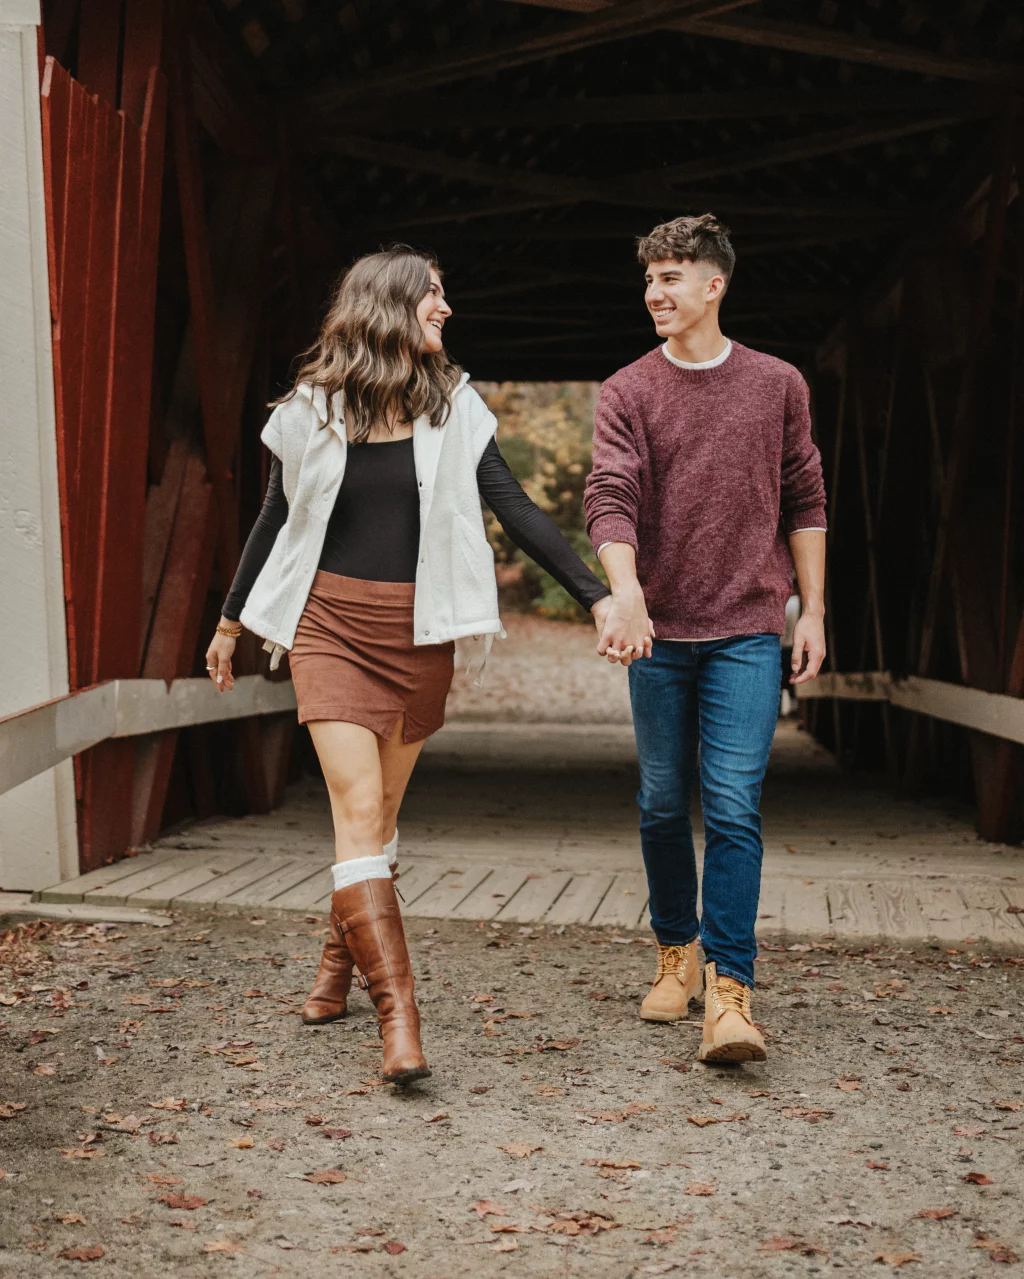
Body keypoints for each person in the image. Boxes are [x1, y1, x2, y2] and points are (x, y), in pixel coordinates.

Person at [206, 246, 615, 1084]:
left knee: (380, 815)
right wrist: (229, 617)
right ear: (390, 304)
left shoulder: (455, 407)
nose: (446, 309)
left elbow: (514, 507)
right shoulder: (310, 411)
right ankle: (400, 1019)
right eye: (434, 295)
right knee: (358, 806)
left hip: (420, 634)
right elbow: (274, 516)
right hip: (329, 626)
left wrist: (595, 596)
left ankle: (337, 962)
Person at [585, 214, 827, 1063]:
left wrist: (813, 610)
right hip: (659, 632)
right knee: (661, 801)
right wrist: (627, 594)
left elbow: (806, 497)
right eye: (649, 278)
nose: (655, 292)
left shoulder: (777, 384)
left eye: (672, 277)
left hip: (748, 630)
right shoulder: (627, 390)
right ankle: (675, 950)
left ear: (714, 284)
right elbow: (609, 496)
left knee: (730, 804)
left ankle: (730, 990)